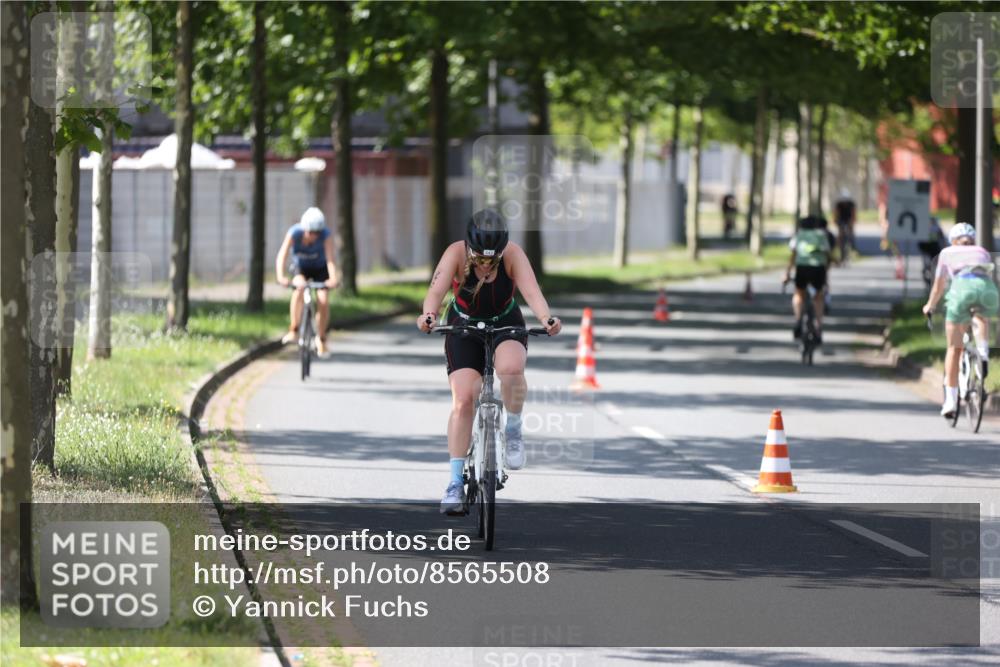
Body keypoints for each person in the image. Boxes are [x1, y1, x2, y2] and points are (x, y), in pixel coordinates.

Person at [417, 209, 562, 514]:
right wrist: (429, 315)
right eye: (479, 259)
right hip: (463, 323)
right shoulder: (455, 253)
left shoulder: (512, 254)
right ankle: (454, 483)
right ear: (469, 247)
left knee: (511, 368)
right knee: (463, 400)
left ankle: (513, 429)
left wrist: (546, 318)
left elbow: (532, 292)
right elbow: (436, 290)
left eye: (491, 260)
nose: (485, 265)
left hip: (505, 321)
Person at [922, 222, 998, 418]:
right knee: (980, 315)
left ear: (953, 241)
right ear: (972, 240)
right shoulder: (982, 252)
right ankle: (983, 352)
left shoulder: (947, 253)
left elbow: (939, 286)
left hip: (961, 290)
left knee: (954, 349)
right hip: (986, 289)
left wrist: (930, 305)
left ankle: (950, 402)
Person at [275, 206, 338, 356]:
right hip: (301, 268)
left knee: (323, 300)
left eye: (317, 233)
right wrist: (281, 276)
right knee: (299, 288)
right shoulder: (294, 233)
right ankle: (294, 329)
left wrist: (333, 278)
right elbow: (282, 256)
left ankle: (321, 338)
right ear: (304, 229)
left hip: (320, 269)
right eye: (310, 232)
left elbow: (330, 260)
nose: (314, 236)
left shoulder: (326, 235)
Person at [785, 215, 832, 343]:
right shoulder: (821, 235)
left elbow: (793, 256)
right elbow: (827, 255)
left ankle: (798, 320)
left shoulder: (799, 235)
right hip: (818, 269)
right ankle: (818, 326)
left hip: (802, 268)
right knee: (818, 297)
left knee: (798, 294)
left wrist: (787, 273)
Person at [834, 188, 857, 259]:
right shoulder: (839, 204)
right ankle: (839, 246)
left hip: (849, 219)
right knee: (840, 233)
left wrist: (852, 221)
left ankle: (852, 246)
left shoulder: (851, 204)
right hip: (841, 219)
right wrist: (836, 221)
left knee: (851, 232)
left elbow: (853, 213)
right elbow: (836, 213)